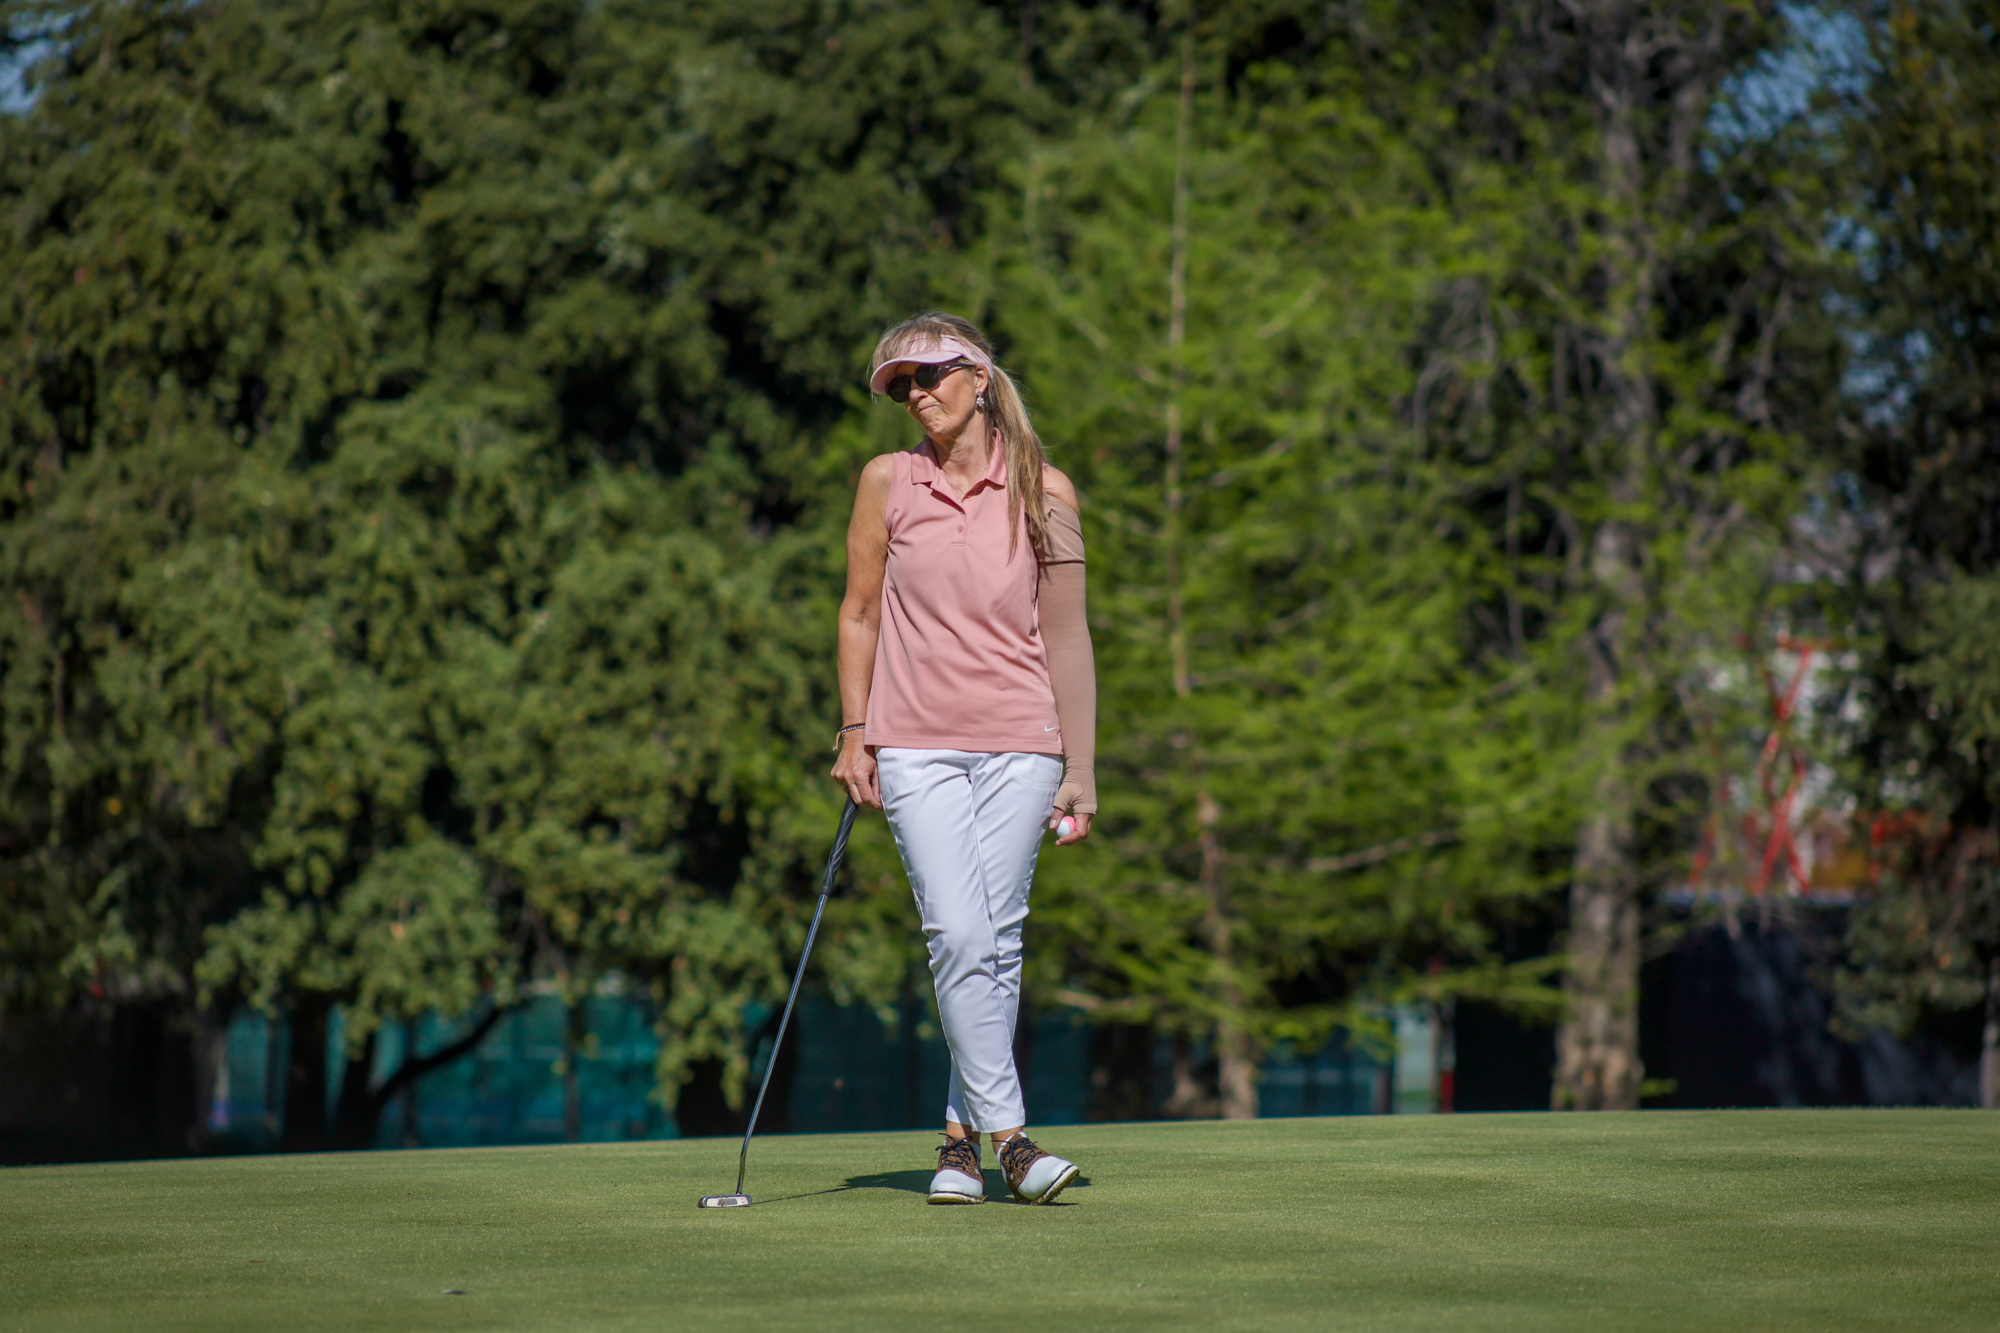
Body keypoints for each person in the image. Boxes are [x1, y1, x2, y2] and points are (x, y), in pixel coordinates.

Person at [830, 311, 1097, 1205]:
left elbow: (1068, 637)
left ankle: (958, 1146)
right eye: (901, 385)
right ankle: (1014, 1141)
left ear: (979, 377)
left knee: (995, 939)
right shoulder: (886, 480)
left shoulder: (1045, 489)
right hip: (914, 741)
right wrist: (854, 729)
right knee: (958, 931)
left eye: (930, 374)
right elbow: (859, 611)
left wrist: (1082, 769)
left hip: (1025, 743)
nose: (916, 394)